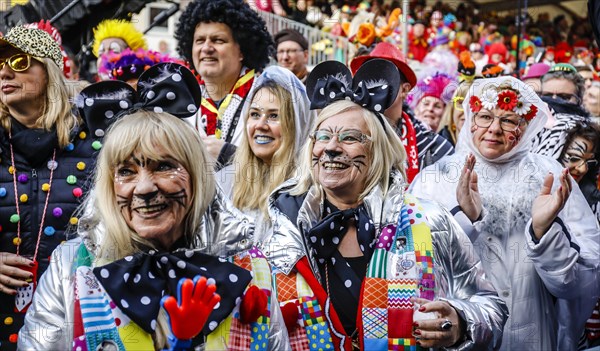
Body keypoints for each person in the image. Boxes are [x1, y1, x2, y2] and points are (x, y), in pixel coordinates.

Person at [18, 63, 289, 350]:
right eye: (126, 171)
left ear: (196, 177)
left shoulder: (248, 266)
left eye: (164, 167)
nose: (145, 188)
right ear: (109, 186)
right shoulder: (71, 267)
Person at [262, 59, 508, 350]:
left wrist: (460, 322)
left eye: (350, 137)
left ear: (378, 150)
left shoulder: (427, 220)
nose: (330, 147)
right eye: (323, 136)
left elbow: (492, 307)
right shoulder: (283, 224)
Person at [410, 76, 600, 350]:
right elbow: (419, 266)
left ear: (526, 125)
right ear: (469, 118)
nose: (494, 129)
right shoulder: (435, 179)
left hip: (532, 333)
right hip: (461, 333)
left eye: (509, 120)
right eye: (485, 116)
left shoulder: (550, 177)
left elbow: (578, 284)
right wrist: (465, 220)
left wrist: (543, 233)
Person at [0, 25, 96, 350]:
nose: (4, 72)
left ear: (50, 71)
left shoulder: (96, 142)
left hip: (69, 319)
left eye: (18, 62)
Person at [217, 66, 315, 242]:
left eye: (274, 116)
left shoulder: (311, 193)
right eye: (255, 114)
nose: (260, 125)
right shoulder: (223, 182)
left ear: (296, 126)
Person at [175, 0, 274, 168]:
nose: (206, 48)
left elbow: (286, 164)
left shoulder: (270, 97)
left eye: (218, 40)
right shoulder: (180, 103)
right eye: (199, 40)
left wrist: (230, 155)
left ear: (242, 50)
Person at [350, 42, 454, 183]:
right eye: (367, 78)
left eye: (383, 78)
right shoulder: (345, 135)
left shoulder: (434, 148)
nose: (372, 86)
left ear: (404, 90)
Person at [532, 63, 590, 158]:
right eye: (548, 96)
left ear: (579, 99)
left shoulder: (587, 131)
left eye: (564, 97)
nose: (554, 101)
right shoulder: (526, 126)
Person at [437, 82, 470, 146]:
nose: (466, 110)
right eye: (461, 103)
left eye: (474, 104)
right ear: (452, 109)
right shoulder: (436, 147)